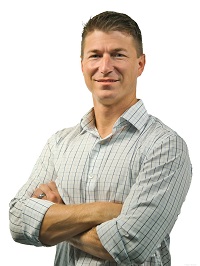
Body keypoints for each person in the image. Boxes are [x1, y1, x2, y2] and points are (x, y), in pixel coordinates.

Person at [9, 11, 192, 266]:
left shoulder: (164, 145)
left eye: (118, 54)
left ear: (140, 64)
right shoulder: (60, 144)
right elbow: (18, 221)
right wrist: (103, 212)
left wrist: (53, 219)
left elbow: (131, 244)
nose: (105, 67)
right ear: (83, 64)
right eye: (95, 55)